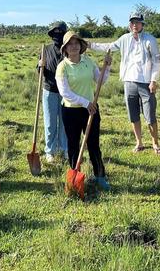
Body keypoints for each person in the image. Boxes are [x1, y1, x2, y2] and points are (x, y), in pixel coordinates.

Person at [89, 12, 160, 154]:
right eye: (133, 22)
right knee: (133, 114)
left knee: (150, 115)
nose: (135, 25)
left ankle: (155, 143)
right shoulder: (124, 39)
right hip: (129, 81)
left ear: (142, 24)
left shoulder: (150, 40)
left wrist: (154, 80)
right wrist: (90, 45)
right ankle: (139, 142)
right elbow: (109, 47)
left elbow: (156, 62)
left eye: (138, 22)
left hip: (146, 82)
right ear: (129, 24)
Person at [55, 31, 112, 190]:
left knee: (94, 144)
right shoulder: (62, 67)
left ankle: (100, 176)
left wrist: (107, 67)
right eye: (70, 44)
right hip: (71, 111)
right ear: (65, 48)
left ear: (81, 46)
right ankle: (75, 176)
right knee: (73, 145)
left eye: (76, 43)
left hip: (91, 110)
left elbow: (101, 80)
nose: (73, 46)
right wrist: (86, 102)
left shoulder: (88, 61)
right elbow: (65, 93)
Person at [39, 21, 68, 163]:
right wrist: (40, 66)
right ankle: (50, 151)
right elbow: (40, 71)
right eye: (54, 33)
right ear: (51, 34)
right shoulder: (46, 49)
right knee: (50, 122)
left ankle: (64, 149)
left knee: (64, 122)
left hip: (66, 92)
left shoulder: (69, 49)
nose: (57, 35)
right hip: (49, 90)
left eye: (60, 33)